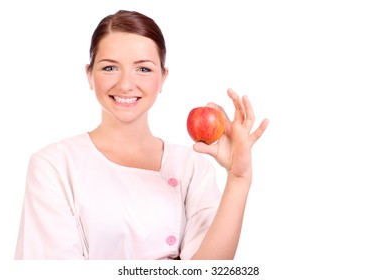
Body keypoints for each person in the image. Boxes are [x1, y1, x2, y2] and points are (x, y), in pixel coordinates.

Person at [14, 10, 269, 260]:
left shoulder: (191, 167)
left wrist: (238, 178)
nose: (125, 84)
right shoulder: (54, 166)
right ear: (89, 75)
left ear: (163, 78)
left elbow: (208, 272)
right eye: (110, 67)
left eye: (144, 69)